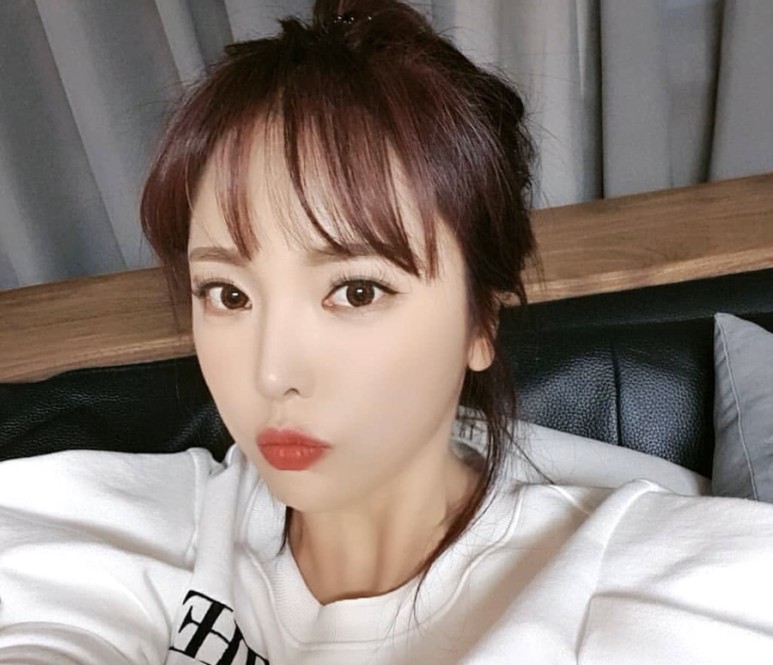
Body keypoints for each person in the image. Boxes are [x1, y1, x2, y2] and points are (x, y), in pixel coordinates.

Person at [1, 0, 772, 663]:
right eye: (228, 293)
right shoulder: (123, 527)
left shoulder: (636, 577)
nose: (271, 373)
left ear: (479, 319)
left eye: (356, 290)